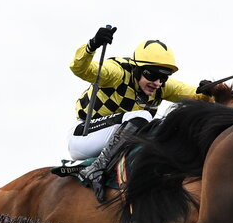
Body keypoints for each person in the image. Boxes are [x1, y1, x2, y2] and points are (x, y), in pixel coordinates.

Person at [68, 25, 223, 200]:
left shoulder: (160, 87)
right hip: (83, 136)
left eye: (163, 77)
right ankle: (95, 168)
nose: (157, 82)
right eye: (151, 75)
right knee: (143, 117)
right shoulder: (116, 73)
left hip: (111, 136)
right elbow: (80, 69)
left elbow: (195, 96)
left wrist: (206, 92)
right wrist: (91, 46)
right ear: (136, 69)